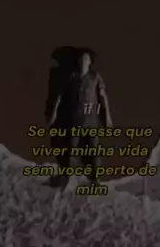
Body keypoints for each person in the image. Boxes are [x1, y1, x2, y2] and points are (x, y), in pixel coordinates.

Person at [45, 47, 113, 187]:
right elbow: (59, 96)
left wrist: (107, 117)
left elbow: (102, 98)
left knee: (93, 150)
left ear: (90, 62)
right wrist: (53, 113)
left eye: (86, 59)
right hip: (73, 120)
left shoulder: (95, 77)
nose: (83, 61)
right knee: (68, 149)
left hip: (91, 120)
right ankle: (65, 176)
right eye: (81, 59)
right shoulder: (71, 77)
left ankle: (94, 179)